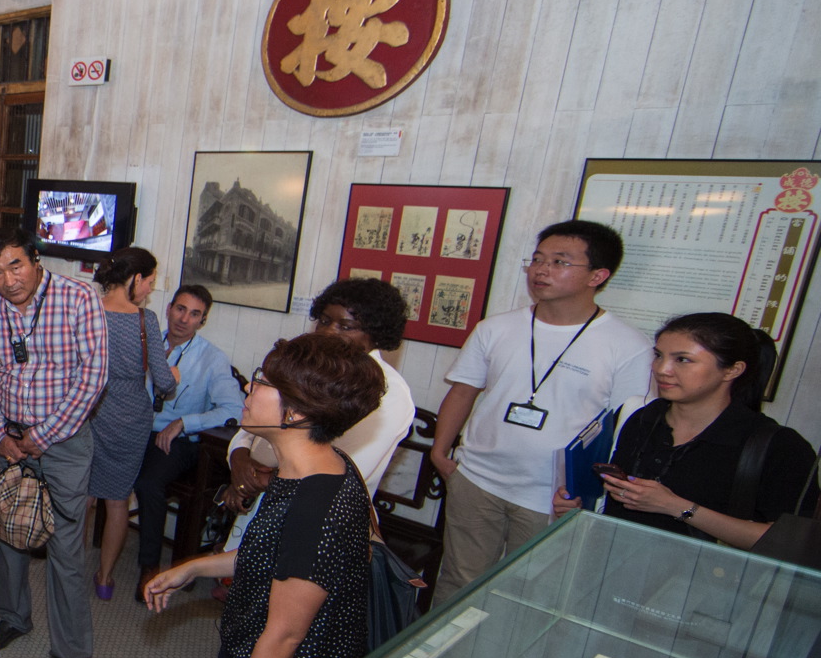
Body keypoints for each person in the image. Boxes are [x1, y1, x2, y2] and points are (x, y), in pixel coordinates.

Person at [144, 333, 385, 658]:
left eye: (262, 382)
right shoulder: (317, 466)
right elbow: (270, 555)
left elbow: (284, 636)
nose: (248, 389)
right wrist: (195, 567)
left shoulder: (316, 508)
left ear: (295, 413)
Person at [431, 220, 651, 593]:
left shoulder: (629, 346)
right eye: (537, 259)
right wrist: (439, 452)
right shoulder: (495, 328)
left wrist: (592, 494)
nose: (541, 270)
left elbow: (625, 432)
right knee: (458, 581)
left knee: (527, 594)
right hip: (477, 479)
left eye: (559, 262)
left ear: (598, 275)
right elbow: (464, 390)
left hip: (553, 496)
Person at [0, 225, 109, 658]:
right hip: (10, 440)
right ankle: (13, 617)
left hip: (64, 443)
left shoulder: (79, 298)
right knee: (10, 531)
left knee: (66, 549)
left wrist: (43, 435)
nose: (8, 280)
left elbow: (93, 377)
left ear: (36, 260)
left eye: (15, 266)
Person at [555, 312, 818, 547]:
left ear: (732, 370)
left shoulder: (778, 446)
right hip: (613, 562)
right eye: (658, 355)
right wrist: (577, 507)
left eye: (683, 360)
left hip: (703, 579)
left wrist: (678, 507)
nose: (662, 370)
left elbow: (789, 541)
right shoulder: (643, 418)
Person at [222, 279, 418, 536]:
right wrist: (239, 458)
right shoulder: (311, 369)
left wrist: (255, 479)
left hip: (320, 519)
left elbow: (339, 470)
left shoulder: (388, 392)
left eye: (345, 326)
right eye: (324, 321)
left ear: (375, 335)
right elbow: (258, 419)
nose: (328, 332)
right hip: (267, 503)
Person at [132, 285, 244, 586]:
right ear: (169, 309)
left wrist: (185, 422)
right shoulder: (146, 344)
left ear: (202, 321)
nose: (184, 319)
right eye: (180, 309)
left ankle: (149, 568)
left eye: (194, 314)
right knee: (92, 460)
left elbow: (234, 409)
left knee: (148, 484)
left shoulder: (212, 358)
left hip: (176, 441)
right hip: (135, 430)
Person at [84, 248, 178, 599]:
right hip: (129, 417)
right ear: (135, 278)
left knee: (82, 496)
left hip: (89, 408)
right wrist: (174, 376)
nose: (150, 290)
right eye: (150, 282)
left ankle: (70, 569)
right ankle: (105, 579)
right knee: (117, 501)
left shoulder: (88, 310)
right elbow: (164, 383)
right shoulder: (145, 320)